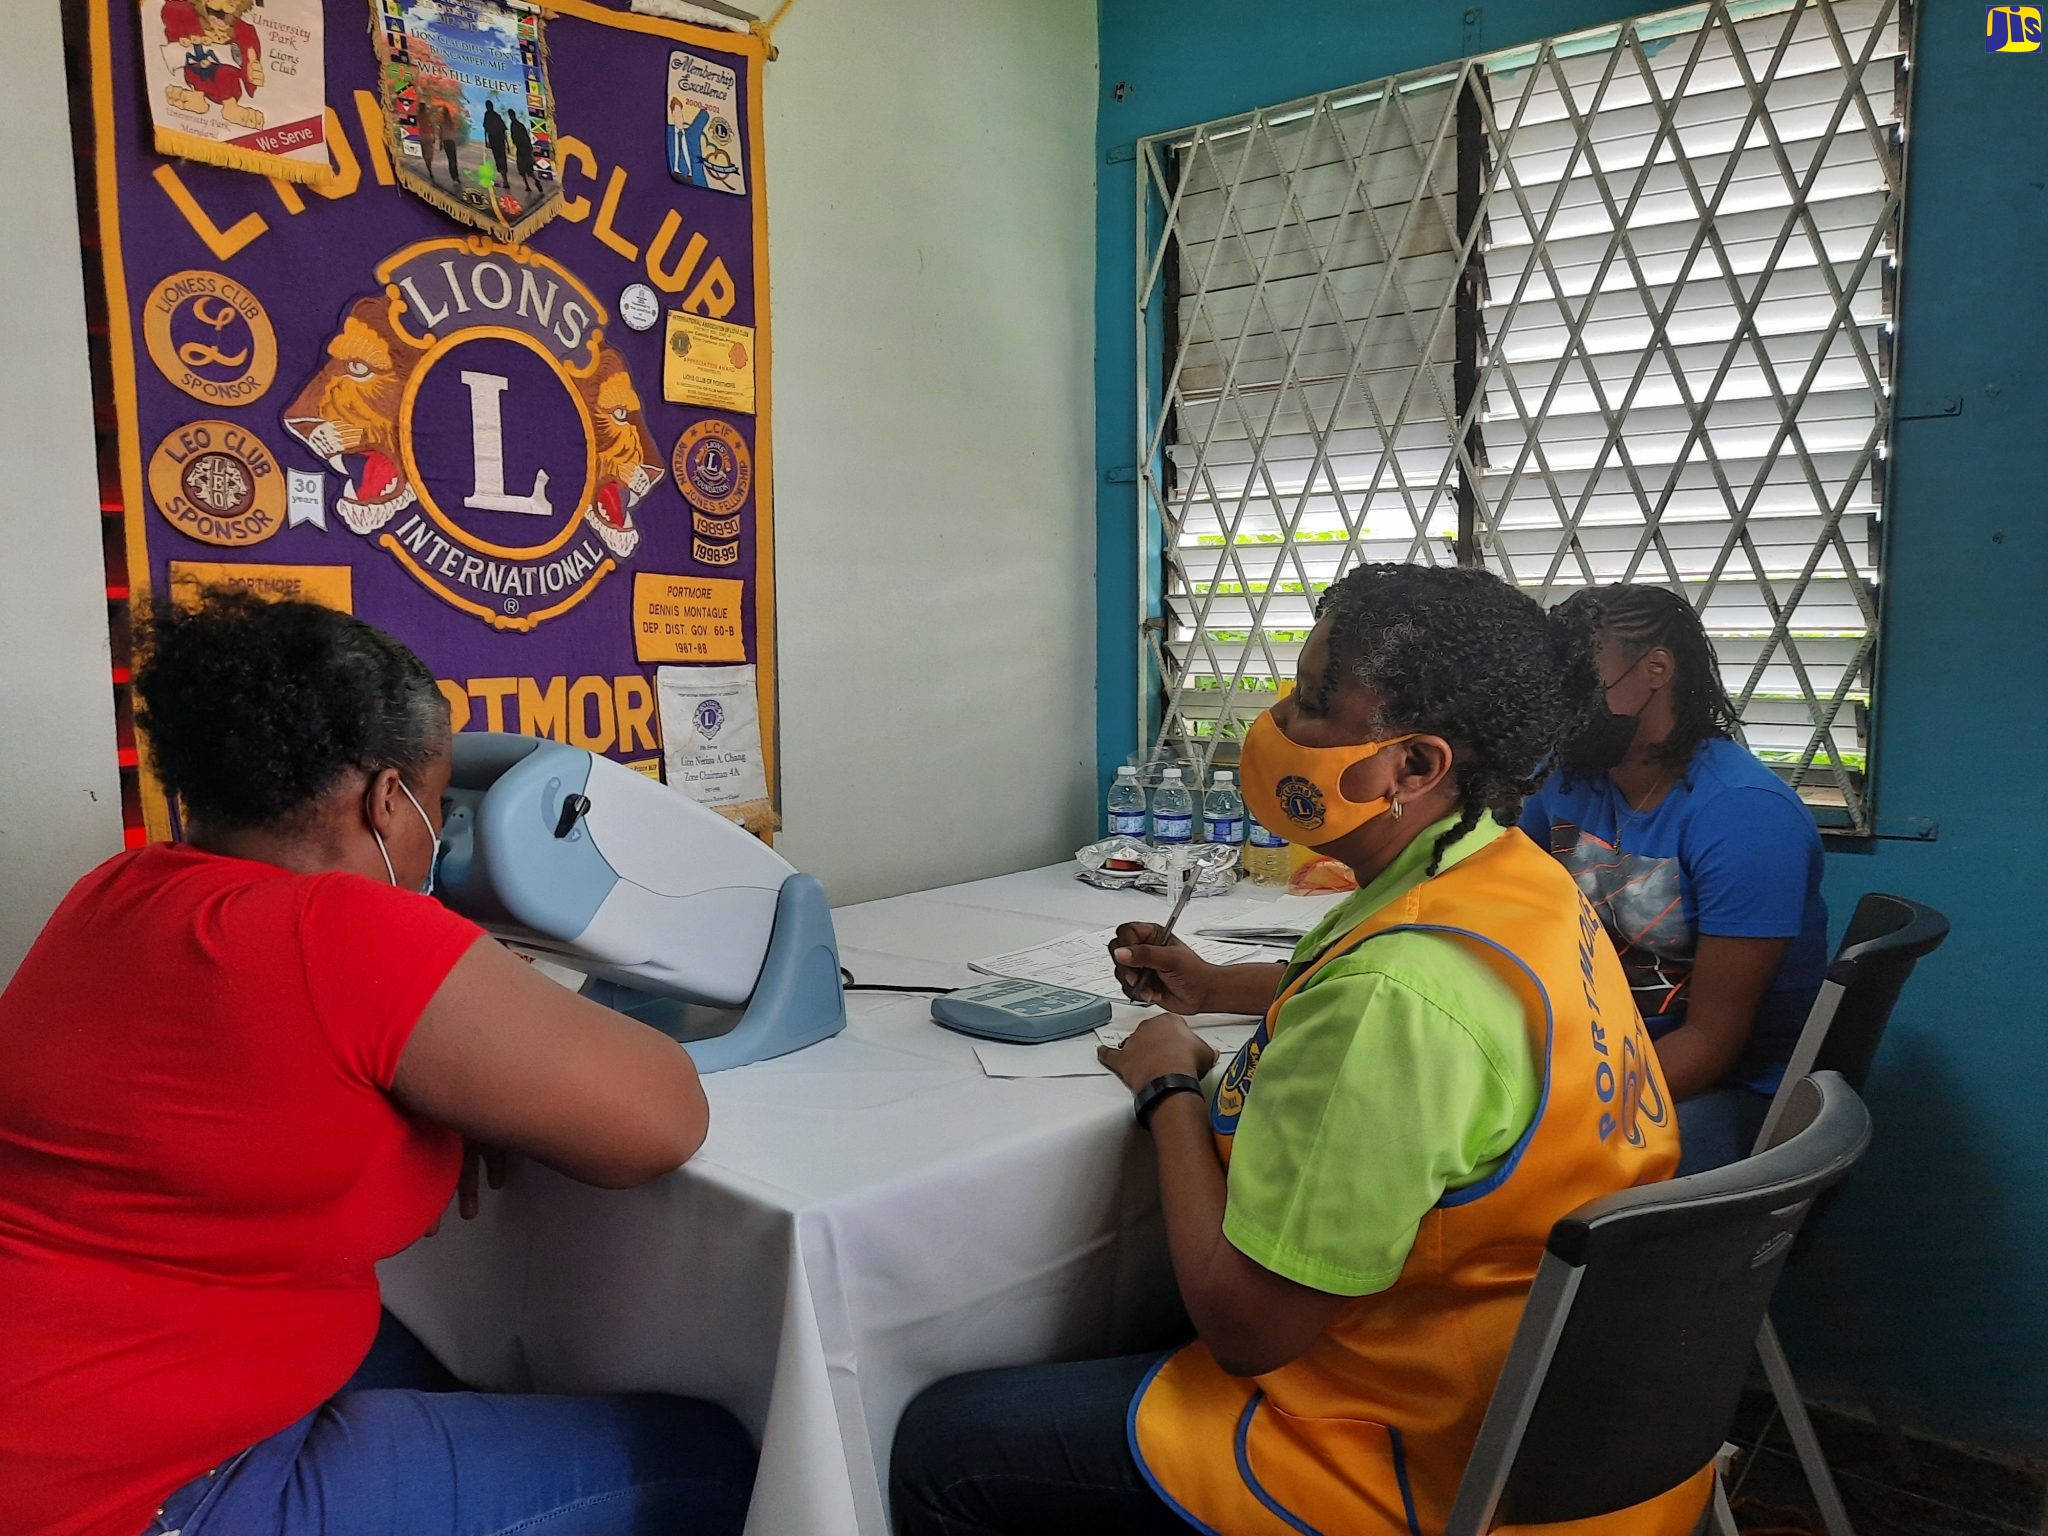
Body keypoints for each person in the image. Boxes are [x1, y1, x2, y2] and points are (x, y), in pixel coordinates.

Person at [891, 563, 1703, 1536]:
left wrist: (1168, 1092)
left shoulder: (1393, 1000)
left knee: (943, 1442)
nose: (1276, 723)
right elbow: (1436, 1021)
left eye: (1313, 703)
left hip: (1406, 1463)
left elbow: (1244, 1328)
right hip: (1561, 1427)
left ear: (1411, 768)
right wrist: (1217, 987)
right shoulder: (1514, 879)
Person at [0, 592, 756, 1536]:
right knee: (717, 1461)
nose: (440, 835)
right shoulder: (345, 928)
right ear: (387, 800)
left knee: (458, 1364)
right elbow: (662, 1120)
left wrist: (460, 1086)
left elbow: (262, 1088)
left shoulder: (114, 892)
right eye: (440, 805)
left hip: (54, 1420)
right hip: (142, 1497)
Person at [1521, 583, 1829, 1174]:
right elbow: (1512, 917)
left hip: (1721, 1090)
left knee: (1527, 1175)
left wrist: (1553, 1110)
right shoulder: (1565, 781)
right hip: (1598, 1047)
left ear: (1656, 670)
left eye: (1581, 684)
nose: (1561, 707)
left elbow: (1710, 1045)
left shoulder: (1744, 816)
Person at [509, 108, 540, 196]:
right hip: (525, 148)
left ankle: (527, 185)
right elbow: (526, 137)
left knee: (522, 168)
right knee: (528, 168)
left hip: (521, 148)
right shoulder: (520, 125)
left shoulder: (513, 126)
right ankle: (534, 181)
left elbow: (514, 138)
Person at [483, 99, 509, 185]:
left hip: (494, 140)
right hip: (499, 140)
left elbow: (486, 129)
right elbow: (503, 130)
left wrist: (486, 140)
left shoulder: (487, 115)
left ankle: (504, 179)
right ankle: (505, 179)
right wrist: (507, 143)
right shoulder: (497, 116)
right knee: (502, 158)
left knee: (499, 159)